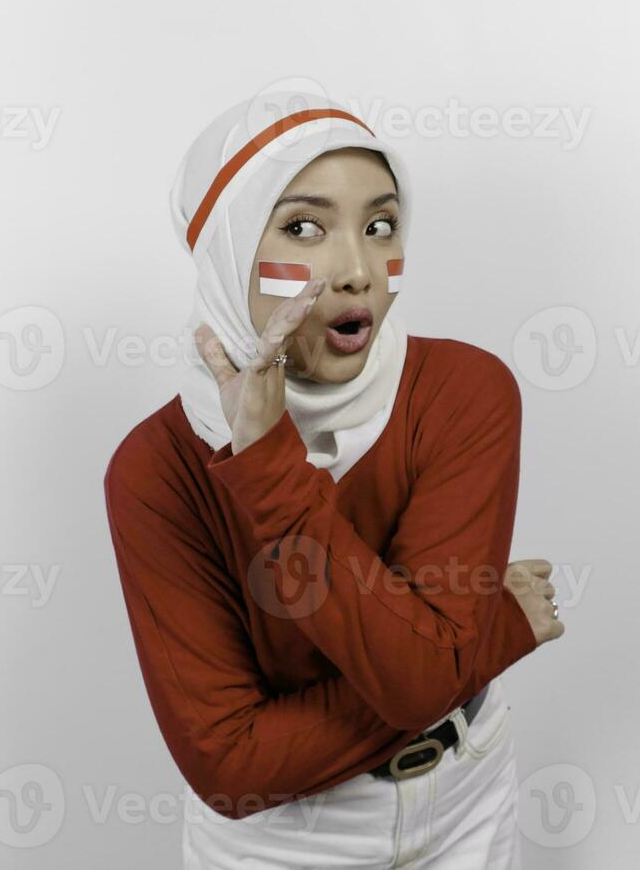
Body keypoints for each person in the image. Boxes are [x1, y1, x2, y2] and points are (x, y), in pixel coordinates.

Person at [103, 91, 566, 868]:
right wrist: (487, 640)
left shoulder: (464, 392)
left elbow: (423, 681)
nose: (357, 271)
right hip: (281, 844)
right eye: (303, 229)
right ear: (228, 251)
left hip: (466, 802)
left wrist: (442, 669)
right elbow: (232, 764)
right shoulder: (157, 472)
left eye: (380, 226)